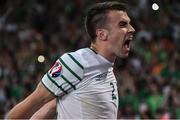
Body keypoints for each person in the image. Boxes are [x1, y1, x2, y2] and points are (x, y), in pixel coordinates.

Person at [7, 1, 135, 119]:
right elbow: (34, 101)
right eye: (123, 24)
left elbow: (54, 105)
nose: (132, 29)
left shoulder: (105, 67)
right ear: (102, 34)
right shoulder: (78, 62)